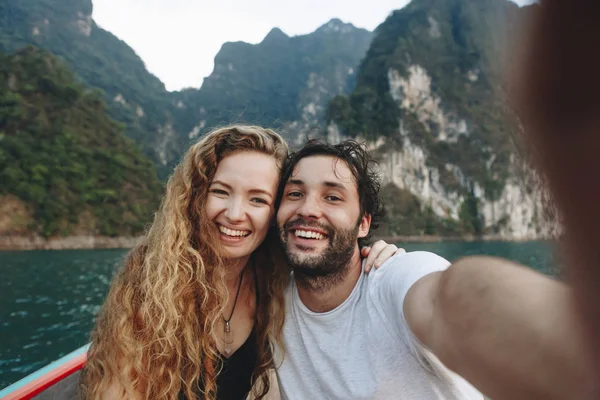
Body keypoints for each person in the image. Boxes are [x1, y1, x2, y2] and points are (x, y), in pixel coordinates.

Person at [81, 125, 400, 400]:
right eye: (220, 192)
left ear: (276, 213)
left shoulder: (274, 282)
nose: (235, 214)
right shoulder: (150, 289)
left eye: (258, 199)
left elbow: (331, 268)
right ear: (194, 199)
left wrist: (376, 255)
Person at [273, 139, 593, 400]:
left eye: (332, 197)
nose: (308, 210)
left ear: (363, 223)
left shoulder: (396, 277)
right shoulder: (268, 304)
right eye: (295, 194)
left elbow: (451, 300)